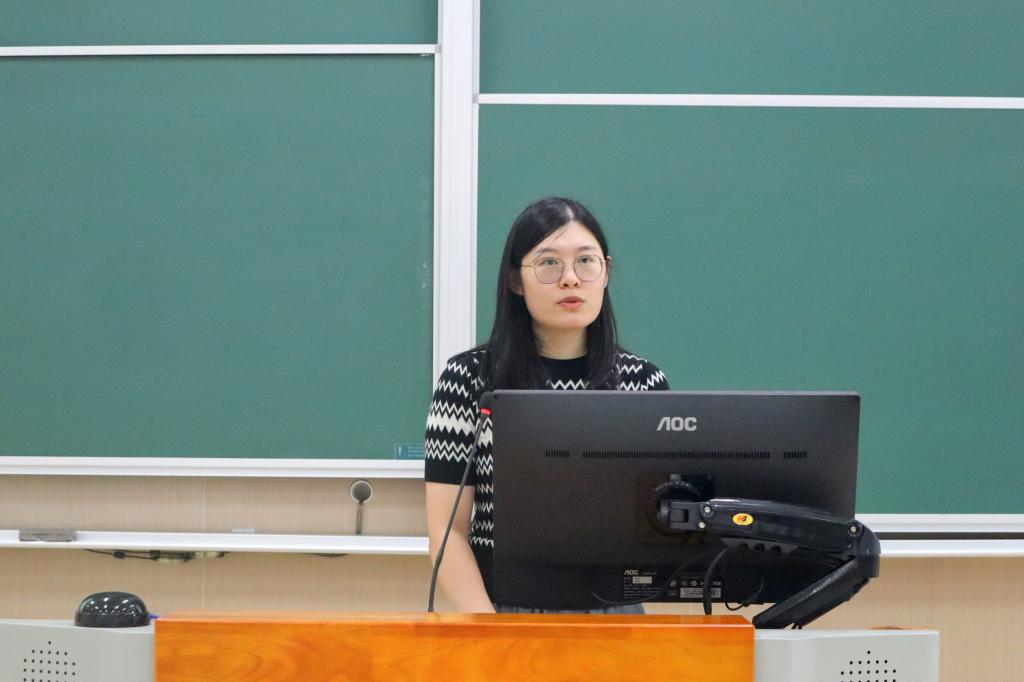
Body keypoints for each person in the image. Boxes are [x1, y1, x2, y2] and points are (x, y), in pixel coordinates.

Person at [424, 197, 669, 613]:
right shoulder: (469, 379)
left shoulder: (642, 382)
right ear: (515, 281)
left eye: (586, 261)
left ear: (606, 272)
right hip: (501, 609)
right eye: (549, 263)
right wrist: (491, 632)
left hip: (614, 613)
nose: (571, 279)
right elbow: (448, 535)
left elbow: (657, 527)